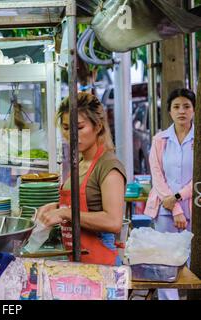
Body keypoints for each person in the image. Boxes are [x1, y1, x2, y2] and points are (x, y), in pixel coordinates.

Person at [37, 92, 127, 266]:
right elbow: (82, 204)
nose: (71, 134)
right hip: (78, 262)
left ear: (98, 126)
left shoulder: (109, 166)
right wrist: (56, 207)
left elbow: (114, 221)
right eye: (65, 127)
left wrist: (65, 213)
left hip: (102, 265)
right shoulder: (80, 162)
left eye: (79, 128)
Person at [144, 88, 195, 300]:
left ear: (194, 110)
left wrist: (178, 197)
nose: (181, 111)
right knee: (165, 261)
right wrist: (174, 207)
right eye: (176, 107)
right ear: (169, 111)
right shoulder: (160, 140)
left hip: (194, 207)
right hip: (165, 208)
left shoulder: (198, 139)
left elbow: (199, 177)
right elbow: (156, 174)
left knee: (192, 261)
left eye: (186, 106)